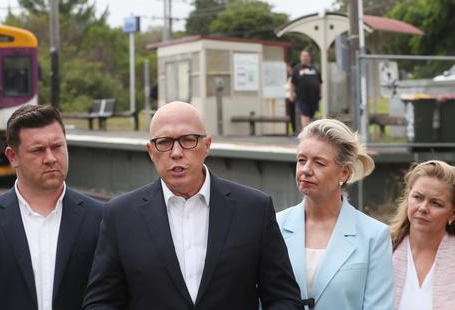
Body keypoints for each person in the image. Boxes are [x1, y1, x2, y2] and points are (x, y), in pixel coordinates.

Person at [84, 101, 302, 310]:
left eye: (188, 140)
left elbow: (283, 298)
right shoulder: (120, 216)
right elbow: (100, 302)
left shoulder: (254, 210)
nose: (177, 152)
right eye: (165, 142)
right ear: (151, 151)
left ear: (207, 145)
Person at [0, 104, 104, 310]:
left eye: (57, 146)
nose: (50, 158)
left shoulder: (100, 218)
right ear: (13, 157)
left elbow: (112, 298)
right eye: (38, 150)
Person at [276, 119, 394, 310]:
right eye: (301, 160)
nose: (306, 170)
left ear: (344, 173)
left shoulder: (374, 236)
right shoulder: (274, 226)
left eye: (319, 163)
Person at [391, 160, 455, 310]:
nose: (423, 208)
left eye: (436, 203)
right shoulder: (382, 250)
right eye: (417, 197)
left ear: (454, 213)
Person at [290, 50, 321, 129]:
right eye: (303, 56)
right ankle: (305, 132)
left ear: (309, 57)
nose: (305, 58)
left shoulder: (315, 69)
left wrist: (320, 94)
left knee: (310, 115)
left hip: (314, 97)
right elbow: (292, 83)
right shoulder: (297, 69)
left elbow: (320, 82)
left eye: (306, 56)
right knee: (304, 114)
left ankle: (308, 130)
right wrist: (291, 93)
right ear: (300, 57)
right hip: (302, 97)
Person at [285, 62, 297, 135]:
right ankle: (293, 130)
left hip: (293, 97)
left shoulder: (294, 76)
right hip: (289, 97)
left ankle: (295, 130)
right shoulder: (289, 76)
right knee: (291, 114)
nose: (287, 69)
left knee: (293, 114)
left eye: (288, 67)